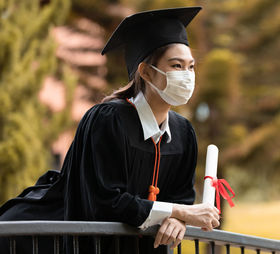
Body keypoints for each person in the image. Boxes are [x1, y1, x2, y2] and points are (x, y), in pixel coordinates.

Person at [0, 6, 220, 253]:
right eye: (177, 66)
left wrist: (178, 219)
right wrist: (180, 212)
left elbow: (182, 198)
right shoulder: (108, 120)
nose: (187, 75)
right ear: (146, 72)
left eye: (191, 67)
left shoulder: (183, 133)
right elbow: (105, 202)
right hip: (49, 239)